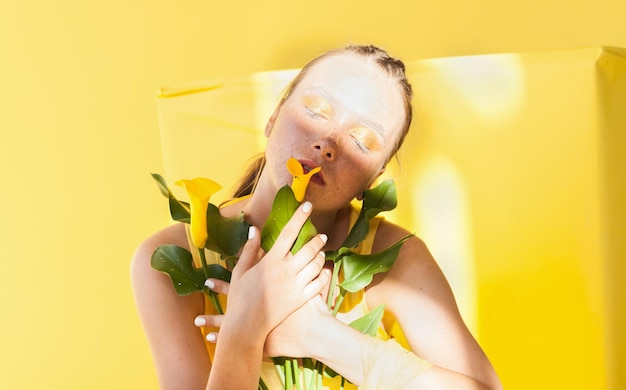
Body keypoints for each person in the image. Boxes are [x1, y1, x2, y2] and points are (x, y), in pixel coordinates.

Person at [131, 44, 503, 389]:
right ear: (273, 117)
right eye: (317, 110)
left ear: (373, 179)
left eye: (362, 140)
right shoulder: (168, 258)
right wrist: (244, 330)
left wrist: (321, 337)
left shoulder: (397, 257)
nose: (328, 143)